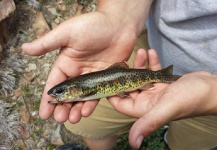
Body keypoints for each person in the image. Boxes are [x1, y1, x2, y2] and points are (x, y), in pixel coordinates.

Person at [22, 0, 217, 149]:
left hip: (211, 105)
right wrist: (116, 16)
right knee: (89, 126)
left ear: (74, 89)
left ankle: (168, 142)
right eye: (60, 93)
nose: (58, 95)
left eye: (61, 92)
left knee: (187, 145)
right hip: (135, 43)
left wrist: (211, 96)